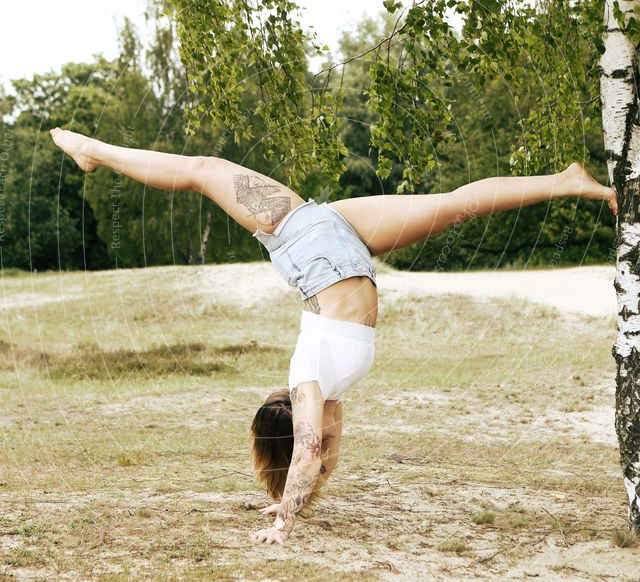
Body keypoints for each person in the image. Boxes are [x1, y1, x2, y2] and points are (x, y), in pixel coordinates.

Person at [49, 127, 617, 546]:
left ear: (292, 418)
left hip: (336, 252)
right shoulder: (315, 382)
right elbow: (316, 449)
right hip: (321, 241)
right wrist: (291, 507)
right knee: (203, 168)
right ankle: (92, 150)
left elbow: (320, 450)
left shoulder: (327, 385)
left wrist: (289, 512)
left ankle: (566, 183)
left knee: (455, 207)